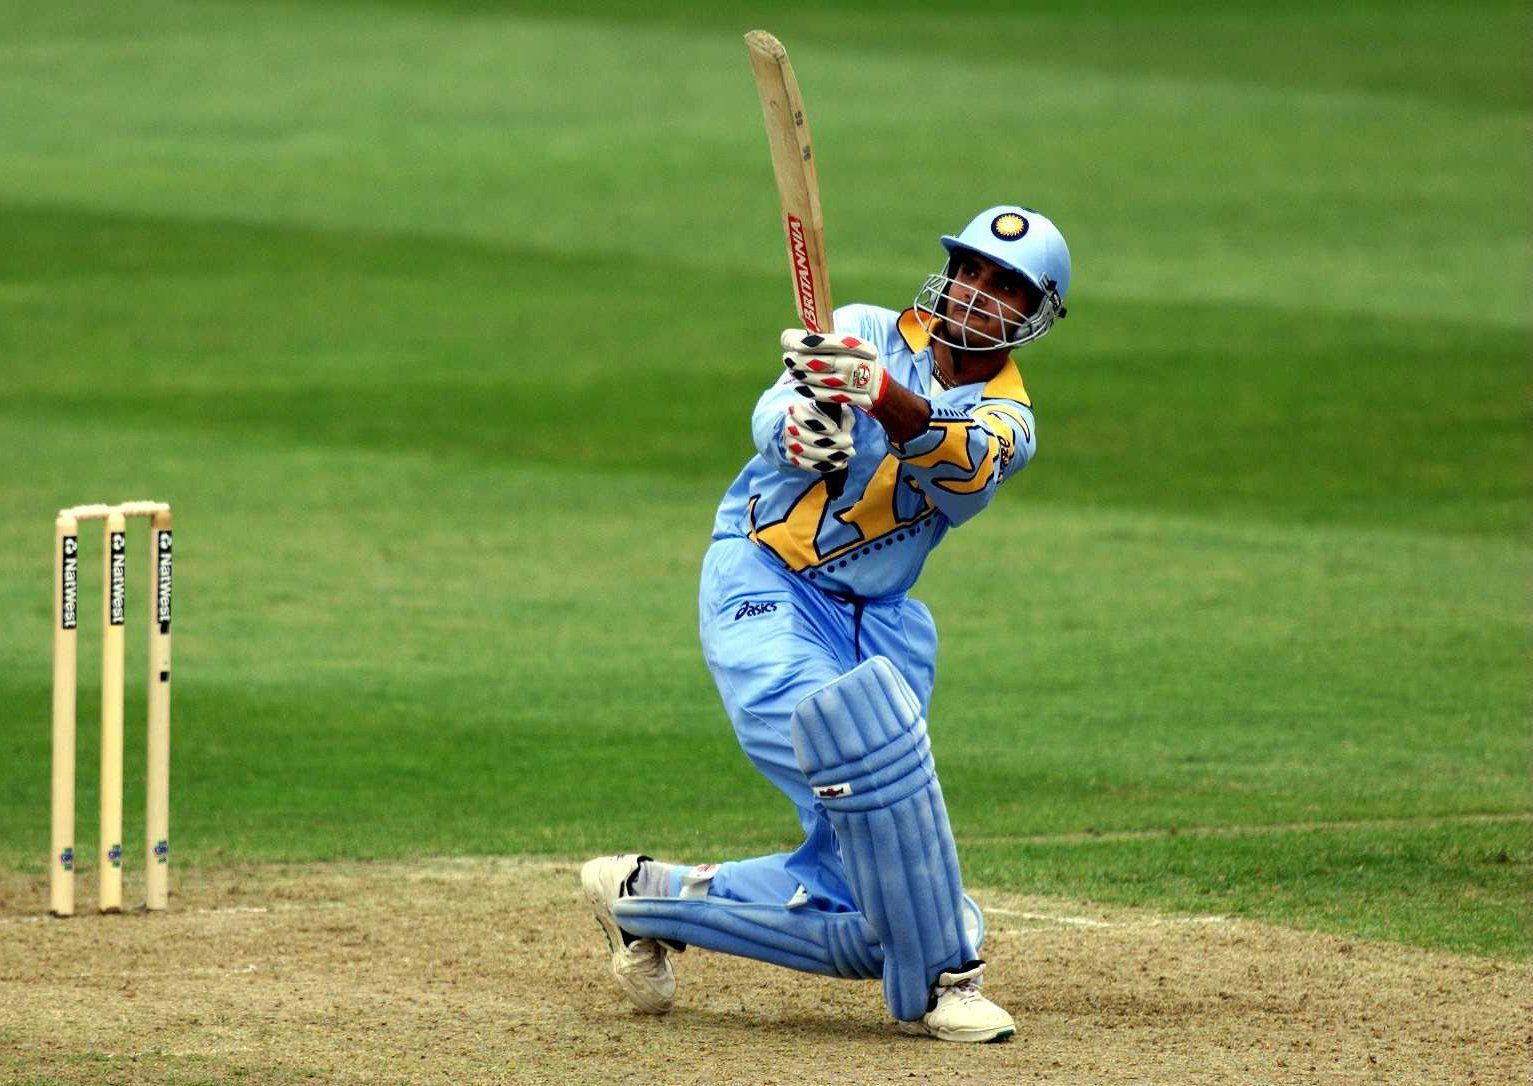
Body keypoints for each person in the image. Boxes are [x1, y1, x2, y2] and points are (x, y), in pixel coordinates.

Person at [581, 205, 1070, 1043]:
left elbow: (962, 465)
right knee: (859, 769)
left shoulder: (1010, 419)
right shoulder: (859, 330)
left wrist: (877, 396)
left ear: (1035, 315)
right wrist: (802, 429)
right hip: (763, 576)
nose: (980, 293)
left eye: (1006, 286)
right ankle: (950, 972)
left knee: (864, 913)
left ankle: (649, 897)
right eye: (971, 271)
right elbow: (773, 416)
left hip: (878, 620)